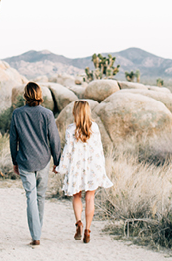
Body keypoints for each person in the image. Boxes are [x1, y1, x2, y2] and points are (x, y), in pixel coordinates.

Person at [9, 82, 61, 247]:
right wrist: (57, 161)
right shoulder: (47, 114)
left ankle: (35, 235)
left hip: (25, 160)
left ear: (25, 95)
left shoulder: (17, 113)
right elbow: (54, 139)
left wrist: (14, 161)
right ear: (40, 95)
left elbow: (13, 140)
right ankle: (37, 231)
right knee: (40, 196)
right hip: (43, 161)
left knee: (31, 196)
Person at [55, 101, 113, 244]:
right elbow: (99, 150)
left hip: (76, 168)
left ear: (75, 112)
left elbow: (67, 152)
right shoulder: (95, 128)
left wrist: (60, 167)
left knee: (77, 196)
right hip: (92, 168)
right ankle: (87, 230)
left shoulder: (71, 129)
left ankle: (78, 223)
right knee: (90, 198)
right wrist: (102, 169)